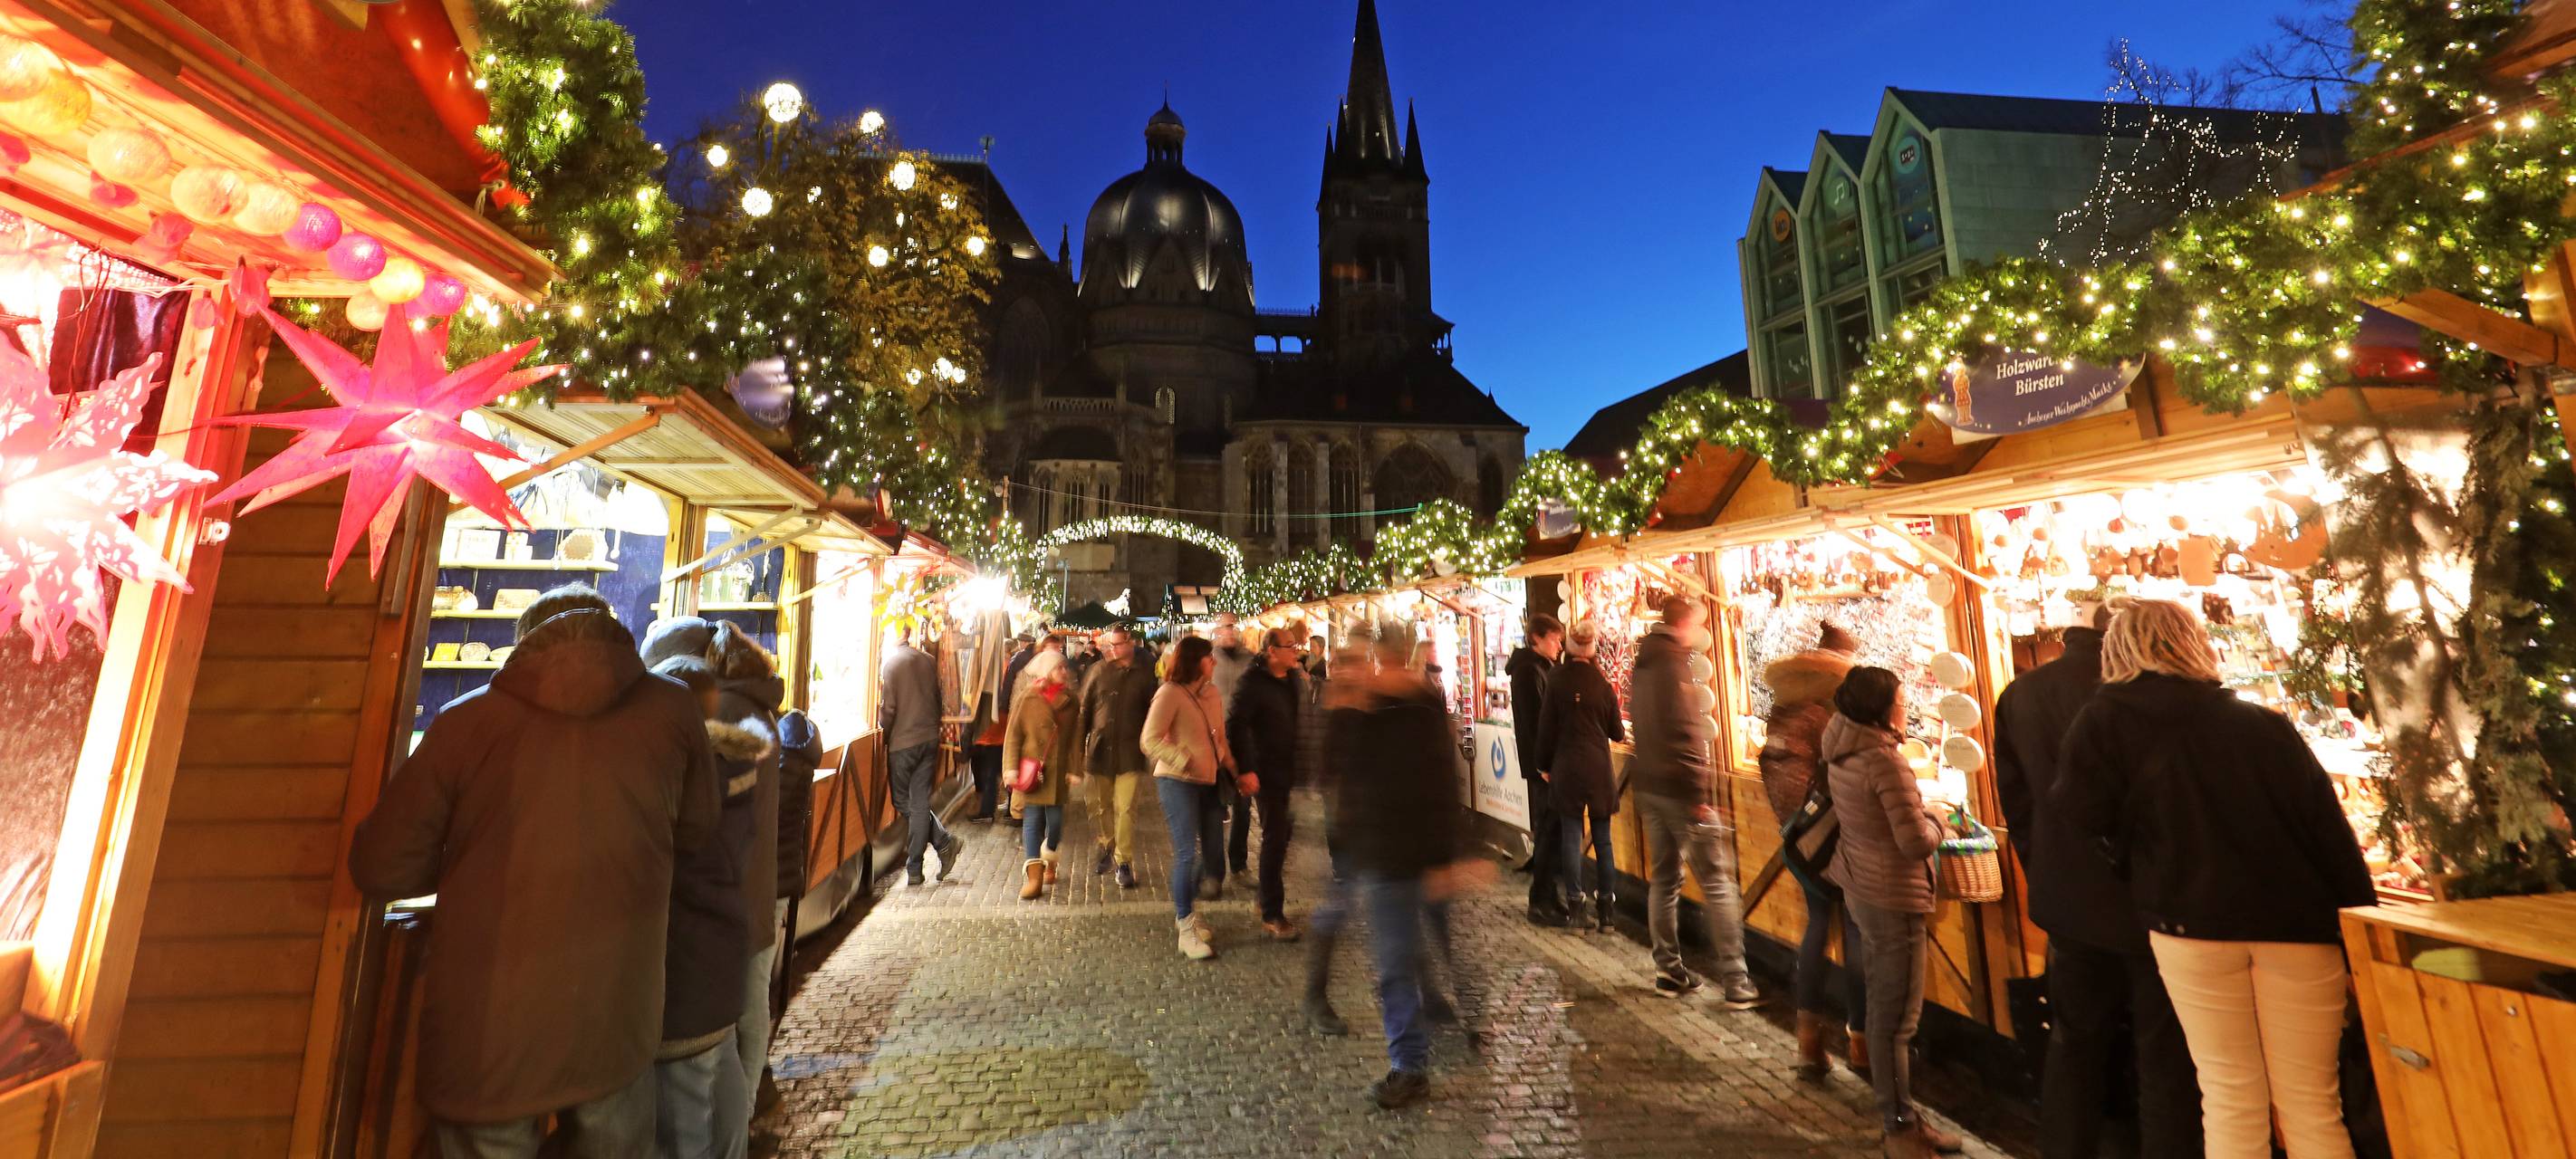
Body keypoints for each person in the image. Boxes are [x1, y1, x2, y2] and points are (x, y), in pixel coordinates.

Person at [350, 586, 717, 1157]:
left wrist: (470, 856)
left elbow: (381, 866)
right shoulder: (673, 710)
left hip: (487, 1033)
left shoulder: (465, 722)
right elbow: (697, 832)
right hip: (618, 1014)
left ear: (525, 648)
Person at [2057, 600, 2375, 1159]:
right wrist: (2362, 930)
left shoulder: (2101, 721)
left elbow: (2080, 815)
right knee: (2312, 1104)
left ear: (2116, 648)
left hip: (2188, 926)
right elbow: (2330, 833)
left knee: (2229, 1095)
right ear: (2193, 642)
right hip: (2299, 928)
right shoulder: (2261, 724)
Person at [1995, 605, 2202, 1159]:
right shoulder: (2147, 696)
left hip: (2069, 906)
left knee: (2073, 1047)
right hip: (2153, 906)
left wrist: (2045, 869)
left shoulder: (2022, 693)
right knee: (2163, 1055)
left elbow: (2017, 804)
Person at [1324, 620, 1476, 1109]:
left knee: (1399, 964)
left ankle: (1411, 1067)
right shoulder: (1398, 708)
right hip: (1393, 854)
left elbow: (1425, 784)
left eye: (1376, 659)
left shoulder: (1401, 711)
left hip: (1395, 856)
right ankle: (1432, 1043)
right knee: (1412, 957)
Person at [642, 618, 790, 1096]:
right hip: (753, 886)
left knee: (733, 1025)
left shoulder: (720, 710)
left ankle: (741, 1118)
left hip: (728, 896)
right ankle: (742, 1117)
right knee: (744, 1015)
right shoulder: (753, 705)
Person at [1822, 666, 1962, 1159]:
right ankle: (1899, 1127)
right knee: (1896, 1017)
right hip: (1892, 895)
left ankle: (1903, 1118)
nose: (1905, 708)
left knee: (1888, 1011)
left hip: (1864, 883)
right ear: (1882, 709)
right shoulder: (1884, 761)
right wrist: (1936, 817)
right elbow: (1912, 841)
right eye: (1901, 700)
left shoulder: (1839, 745)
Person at [641, 655, 758, 1159]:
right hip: (713, 979)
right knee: (721, 1114)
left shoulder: (680, 775)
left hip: (680, 986)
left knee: (690, 1129)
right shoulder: (735, 768)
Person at [1631, 595, 1761, 1007]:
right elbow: (1686, 731)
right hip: (1679, 790)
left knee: (1665, 880)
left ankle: (1668, 971)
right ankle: (1737, 980)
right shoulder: (1673, 664)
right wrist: (1698, 795)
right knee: (1719, 882)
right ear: (1686, 623)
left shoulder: (1645, 660)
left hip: (1650, 784)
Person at [1759, 622, 1869, 1077]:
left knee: (1818, 930)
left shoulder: (1781, 714)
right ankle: (1861, 1043)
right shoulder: (1827, 720)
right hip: (1834, 842)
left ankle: (1809, 1044)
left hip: (1798, 840)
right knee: (1859, 936)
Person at [1144, 636, 1247, 960]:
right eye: (1209, 657)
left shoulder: (1212, 693)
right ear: (1195, 660)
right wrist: (1181, 758)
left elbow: (1219, 738)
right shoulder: (1169, 693)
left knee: (1213, 851)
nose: (1214, 662)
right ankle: (1185, 924)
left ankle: (1188, 907)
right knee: (1187, 853)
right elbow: (1149, 740)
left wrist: (1234, 768)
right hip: (1177, 781)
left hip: (1210, 781)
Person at [1534, 619, 1624, 934]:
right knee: (1604, 841)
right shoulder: (1602, 683)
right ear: (1593, 648)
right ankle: (1607, 912)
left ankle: (1576, 909)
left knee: (1571, 840)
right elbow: (1618, 732)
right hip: (1598, 768)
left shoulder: (1556, 680)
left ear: (1570, 648)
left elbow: (1546, 729)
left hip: (1567, 767)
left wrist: (1543, 765)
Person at [1228, 620, 1309, 941]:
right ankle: (1273, 913)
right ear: (1272, 651)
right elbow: (1236, 724)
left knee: (1284, 836)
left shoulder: (1291, 679)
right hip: (1265, 771)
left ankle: (1264, 898)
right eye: (1291, 646)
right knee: (1275, 838)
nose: (1296, 651)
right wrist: (1246, 769)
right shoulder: (1252, 683)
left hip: (1290, 769)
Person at [880, 628, 963, 886]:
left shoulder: (891, 663)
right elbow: (938, 698)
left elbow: (889, 709)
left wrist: (884, 731)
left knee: (904, 802)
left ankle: (939, 844)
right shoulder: (927, 659)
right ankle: (920, 863)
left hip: (903, 743)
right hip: (928, 739)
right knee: (918, 803)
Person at [1079, 625, 1159, 887]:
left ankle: (1123, 861)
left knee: (1125, 809)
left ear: (1131, 643)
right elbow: (1085, 712)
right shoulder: (1097, 672)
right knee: (1099, 807)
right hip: (1099, 752)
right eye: (1109, 645)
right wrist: (1078, 751)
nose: (1112, 650)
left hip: (1129, 753)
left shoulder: (1145, 675)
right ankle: (1106, 844)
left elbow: (1153, 713)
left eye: (1117, 645)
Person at [1004, 649, 1083, 900]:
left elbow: (1075, 739)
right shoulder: (1028, 698)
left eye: (1064, 668)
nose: (1065, 672)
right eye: (1059, 668)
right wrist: (1010, 767)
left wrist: (1075, 768)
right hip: (1033, 771)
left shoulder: (1070, 700)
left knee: (1056, 823)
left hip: (1058, 771)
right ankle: (1034, 876)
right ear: (1048, 671)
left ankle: (1050, 855)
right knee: (1032, 821)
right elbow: (1014, 735)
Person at [1506, 614, 1567, 925]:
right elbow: (1535, 723)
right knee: (1547, 832)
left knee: (1552, 832)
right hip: (1543, 767)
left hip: (1545, 764)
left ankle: (1548, 896)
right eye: (1555, 638)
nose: (1559, 644)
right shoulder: (1529, 672)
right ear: (1537, 638)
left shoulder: (1540, 668)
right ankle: (1541, 902)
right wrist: (1543, 764)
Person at [1210, 613, 1258, 896]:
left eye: (1233, 625)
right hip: (1213, 741)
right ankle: (1214, 872)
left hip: (1243, 742)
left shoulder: (1250, 659)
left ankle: (1239, 865)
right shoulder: (1208, 659)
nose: (1230, 631)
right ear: (1216, 630)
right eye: (1225, 626)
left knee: (1243, 806)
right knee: (1213, 808)